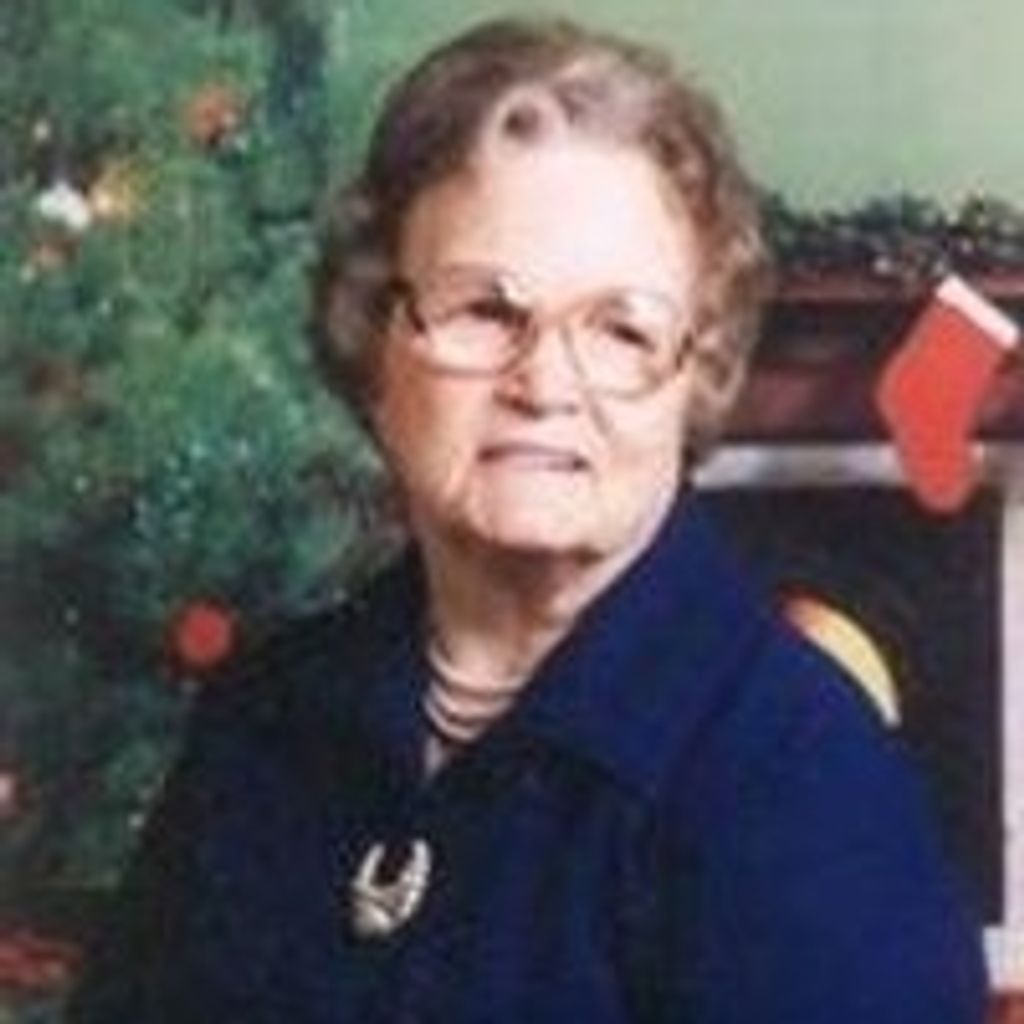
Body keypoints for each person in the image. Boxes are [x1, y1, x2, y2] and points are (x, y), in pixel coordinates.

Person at [68, 16, 988, 1023]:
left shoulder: (804, 786)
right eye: (484, 310)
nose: (544, 383)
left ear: (695, 375)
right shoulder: (267, 719)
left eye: (621, 329)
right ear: (375, 342)